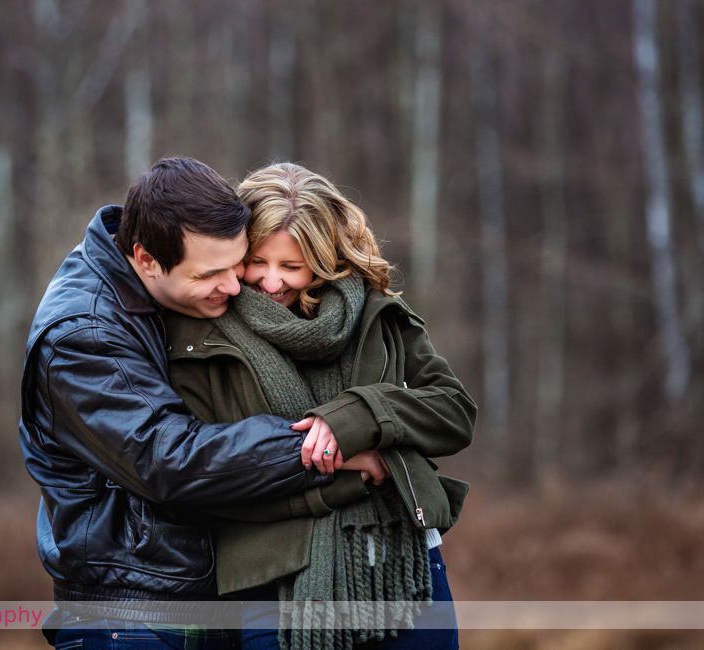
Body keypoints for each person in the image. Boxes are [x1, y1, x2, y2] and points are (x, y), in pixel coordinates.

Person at [18, 157, 374, 649]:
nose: (234, 288)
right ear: (145, 259)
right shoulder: (83, 334)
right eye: (211, 274)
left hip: (201, 608)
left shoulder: (162, 288)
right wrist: (321, 448)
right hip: (134, 619)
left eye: (236, 265)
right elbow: (169, 458)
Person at [165, 162, 477, 649]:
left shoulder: (376, 314)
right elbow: (211, 472)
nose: (271, 282)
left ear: (327, 256)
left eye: (291, 266)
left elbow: (453, 412)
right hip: (272, 586)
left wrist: (359, 417)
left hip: (404, 574)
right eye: (257, 262)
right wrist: (353, 472)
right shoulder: (202, 336)